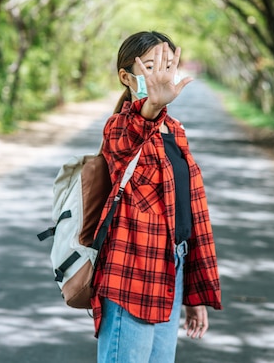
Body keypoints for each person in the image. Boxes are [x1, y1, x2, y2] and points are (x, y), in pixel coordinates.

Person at [91, 31, 222, 362]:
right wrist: (152, 105)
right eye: (150, 67)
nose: (161, 76)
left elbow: (190, 217)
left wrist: (193, 295)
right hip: (133, 272)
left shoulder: (175, 130)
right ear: (126, 76)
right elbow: (136, 129)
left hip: (173, 269)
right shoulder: (119, 127)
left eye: (167, 66)